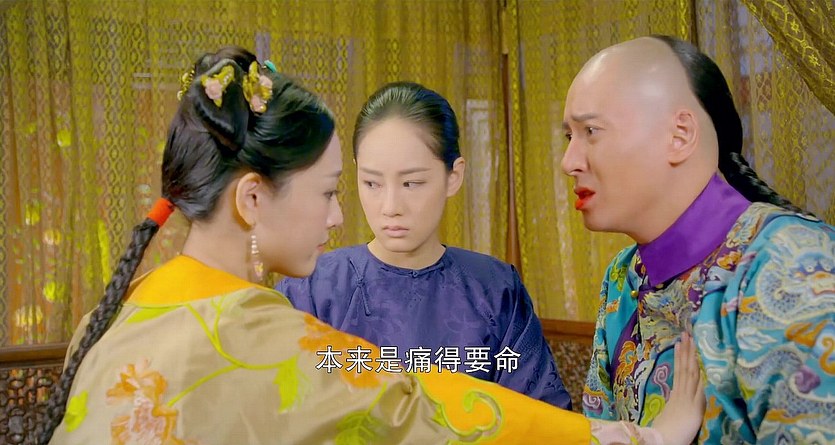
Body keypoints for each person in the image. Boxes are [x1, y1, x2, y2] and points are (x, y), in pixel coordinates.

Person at [40, 46, 704, 445]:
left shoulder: (119, 312)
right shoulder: (263, 329)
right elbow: (415, 407)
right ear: (251, 199)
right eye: (335, 189)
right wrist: (639, 437)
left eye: (411, 181)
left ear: (453, 177)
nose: (343, 216)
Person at [561, 35, 835, 444]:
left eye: (591, 131)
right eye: (569, 136)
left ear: (680, 134)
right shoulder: (624, 274)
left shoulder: (791, 264)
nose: (569, 162)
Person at [277, 81, 572, 409]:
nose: (390, 206)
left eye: (412, 183)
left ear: (453, 176)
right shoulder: (311, 288)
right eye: (372, 183)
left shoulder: (495, 290)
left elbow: (541, 416)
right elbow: (278, 411)